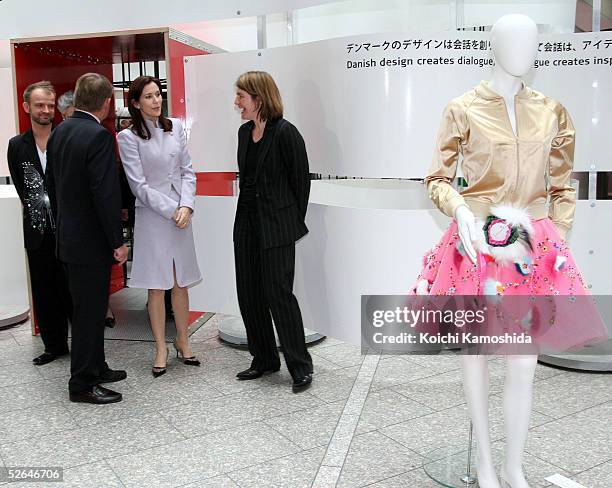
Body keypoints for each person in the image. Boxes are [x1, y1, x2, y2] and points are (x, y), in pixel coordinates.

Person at [414, 14, 607, 488]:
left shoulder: (553, 111)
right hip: (477, 245)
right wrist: (459, 211)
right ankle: (484, 462)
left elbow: (563, 185)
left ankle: (514, 466)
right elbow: (437, 178)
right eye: (515, 40)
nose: (526, 49)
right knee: (476, 357)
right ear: (494, 44)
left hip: (530, 248)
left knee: (523, 362)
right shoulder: (462, 108)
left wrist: (552, 239)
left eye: (533, 41)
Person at [47, 73, 128, 404]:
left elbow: (51, 186)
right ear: (107, 103)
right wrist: (117, 240)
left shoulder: (59, 132)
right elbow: (104, 195)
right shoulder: (98, 136)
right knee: (88, 314)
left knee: (88, 310)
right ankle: (81, 383)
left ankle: (97, 366)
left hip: (69, 239)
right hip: (91, 244)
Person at [232, 71, 313, 393]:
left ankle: (300, 366)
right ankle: (264, 359)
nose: (236, 102)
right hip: (246, 225)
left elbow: (300, 185)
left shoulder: (286, 133)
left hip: (277, 228)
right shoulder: (243, 133)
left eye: (241, 96)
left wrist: (288, 224)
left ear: (258, 98)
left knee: (279, 296)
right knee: (249, 294)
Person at [117, 76, 201, 378]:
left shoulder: (175, 127)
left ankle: (183, 340)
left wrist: (187, 205)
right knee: (156, 285)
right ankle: (160, 348)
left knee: (180, 281)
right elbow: (138, 186)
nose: (156, 101)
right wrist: (172, 209)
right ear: (136, 103)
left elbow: (187, 171)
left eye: (158, 95)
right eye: (149, 96)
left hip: (181, 216)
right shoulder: (127, 138)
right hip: (154, 218)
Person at [7, 81, 72, 366]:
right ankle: (53, 346)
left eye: (49, 105)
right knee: (44, 293)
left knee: (72, 293)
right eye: (39, 105)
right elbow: (23, 189)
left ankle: (82, 347)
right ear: (26, 108)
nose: (45, 110)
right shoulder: (16, 146)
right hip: (36, 232)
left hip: (69, 231)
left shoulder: (65, 138)